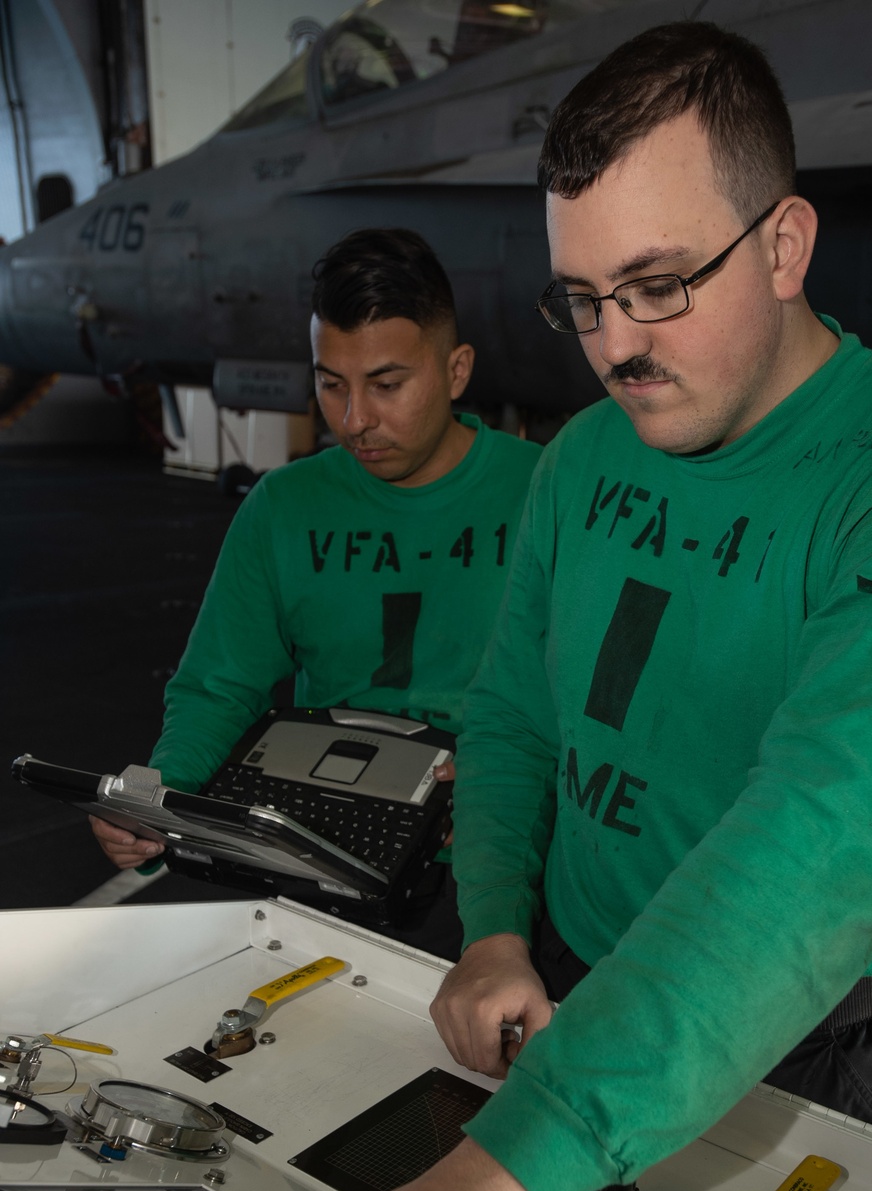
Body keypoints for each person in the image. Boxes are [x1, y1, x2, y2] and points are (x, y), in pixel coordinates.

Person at [302, 21, 872, 1191]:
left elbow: (836, 836)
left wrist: (526, 1152)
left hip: (808, 1040)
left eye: (660, 284)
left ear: (786, 246)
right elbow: (514, 716)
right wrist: (499, 928)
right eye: (581, 298)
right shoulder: (578, 460)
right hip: (568, 982)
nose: (614, 346)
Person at [90, 228, 541, 956]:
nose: (354, 419)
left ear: (457, 371)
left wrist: (512, 788)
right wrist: (158, 792)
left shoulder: (544, 492)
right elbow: (218, 687)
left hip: (491, 860)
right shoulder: (282, 507)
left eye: (387, 385)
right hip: (313, 853)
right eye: (331, 384)